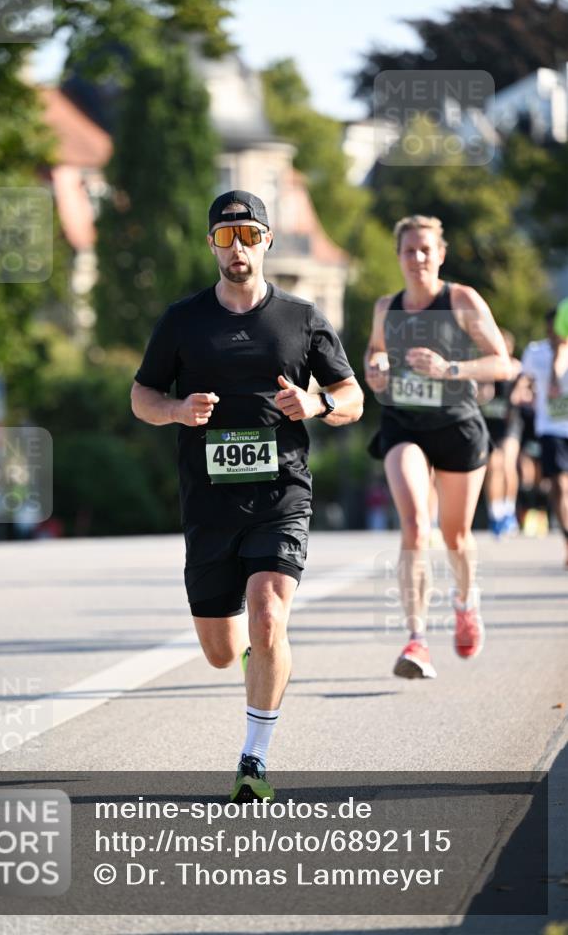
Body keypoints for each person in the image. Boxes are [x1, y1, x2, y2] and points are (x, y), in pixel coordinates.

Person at [131, 190, 363, 799]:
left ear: (268, 241)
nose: (239, 248)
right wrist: (178, 409)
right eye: (227, 236)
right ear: (212, 244)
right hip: (208, 504)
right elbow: (141, 398)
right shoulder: (182, 321)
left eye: (250, 235)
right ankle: (256, 657)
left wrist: (318, 402)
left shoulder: (302, 319)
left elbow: (353, 395)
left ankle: (253, 761)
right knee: (220, 649)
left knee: (268, 616)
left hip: (281, 494)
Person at [364, 215, 511, 680]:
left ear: (440, 254)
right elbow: (375, 354)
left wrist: (449, 369)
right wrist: (376, 369)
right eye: (409, 250)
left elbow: (502, 365)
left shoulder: (461, 300)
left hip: (456, 426)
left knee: (456, 537)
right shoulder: (387, 307)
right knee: (413, 523)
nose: (418, 258)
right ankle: (417, 639)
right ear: (399, 256)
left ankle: (466, 604)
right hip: (404, 424)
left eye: (426, 249)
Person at [520, 307, 568, 567]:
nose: (554, 336)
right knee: (559, 486)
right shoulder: (536, 352)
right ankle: (567, 539)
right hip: (550, 429)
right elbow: (528, 382)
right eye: (551, 331)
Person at [480, 329, 523, 537]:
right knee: (493, 468)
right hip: (490, 426)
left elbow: (524, 390)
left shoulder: (516, 368)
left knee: (507, 465)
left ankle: (509, 510)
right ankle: (495, 512)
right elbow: (479, 396)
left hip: (510, 425)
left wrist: (520, 390)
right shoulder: (484, 369)